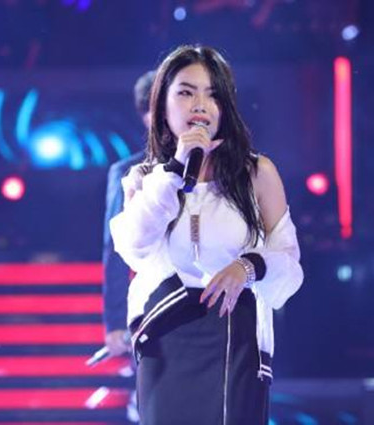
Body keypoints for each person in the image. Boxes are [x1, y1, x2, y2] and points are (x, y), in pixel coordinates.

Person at [110, 45, 303, 425]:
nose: (200, 105)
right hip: (165, 336)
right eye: (186, 92)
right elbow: (134, 248)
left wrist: (248, 267)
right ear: (162, 105)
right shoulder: (144, 179)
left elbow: (290, 268)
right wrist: (176, 168)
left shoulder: (256, 173)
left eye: (213, 94)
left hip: (235, 336)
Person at [102, 70, 156, 357]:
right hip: (152, 309)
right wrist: (115, 320)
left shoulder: (212, 166)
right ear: (146, 116)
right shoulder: (128, 172)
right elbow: (114, 248)